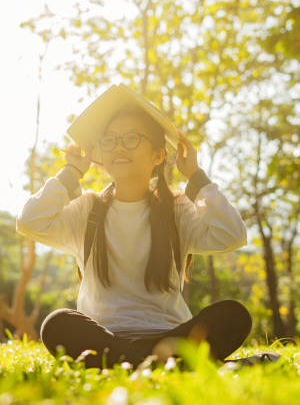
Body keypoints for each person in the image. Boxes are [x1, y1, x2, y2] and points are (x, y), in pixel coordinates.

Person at [16, 86, 279, 369]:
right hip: (104, 336)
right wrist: (71, 172)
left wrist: (196, 178)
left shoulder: (177, 210)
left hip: (168, 337)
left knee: (233, 315)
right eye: (110, 140)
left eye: (131, 138)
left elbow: (232, 234)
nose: (118, 146)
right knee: (58, 324)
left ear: (157, 155)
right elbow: (30, 221)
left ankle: (132, 361)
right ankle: (170, 364)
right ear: (100, 155)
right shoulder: (87, 209)